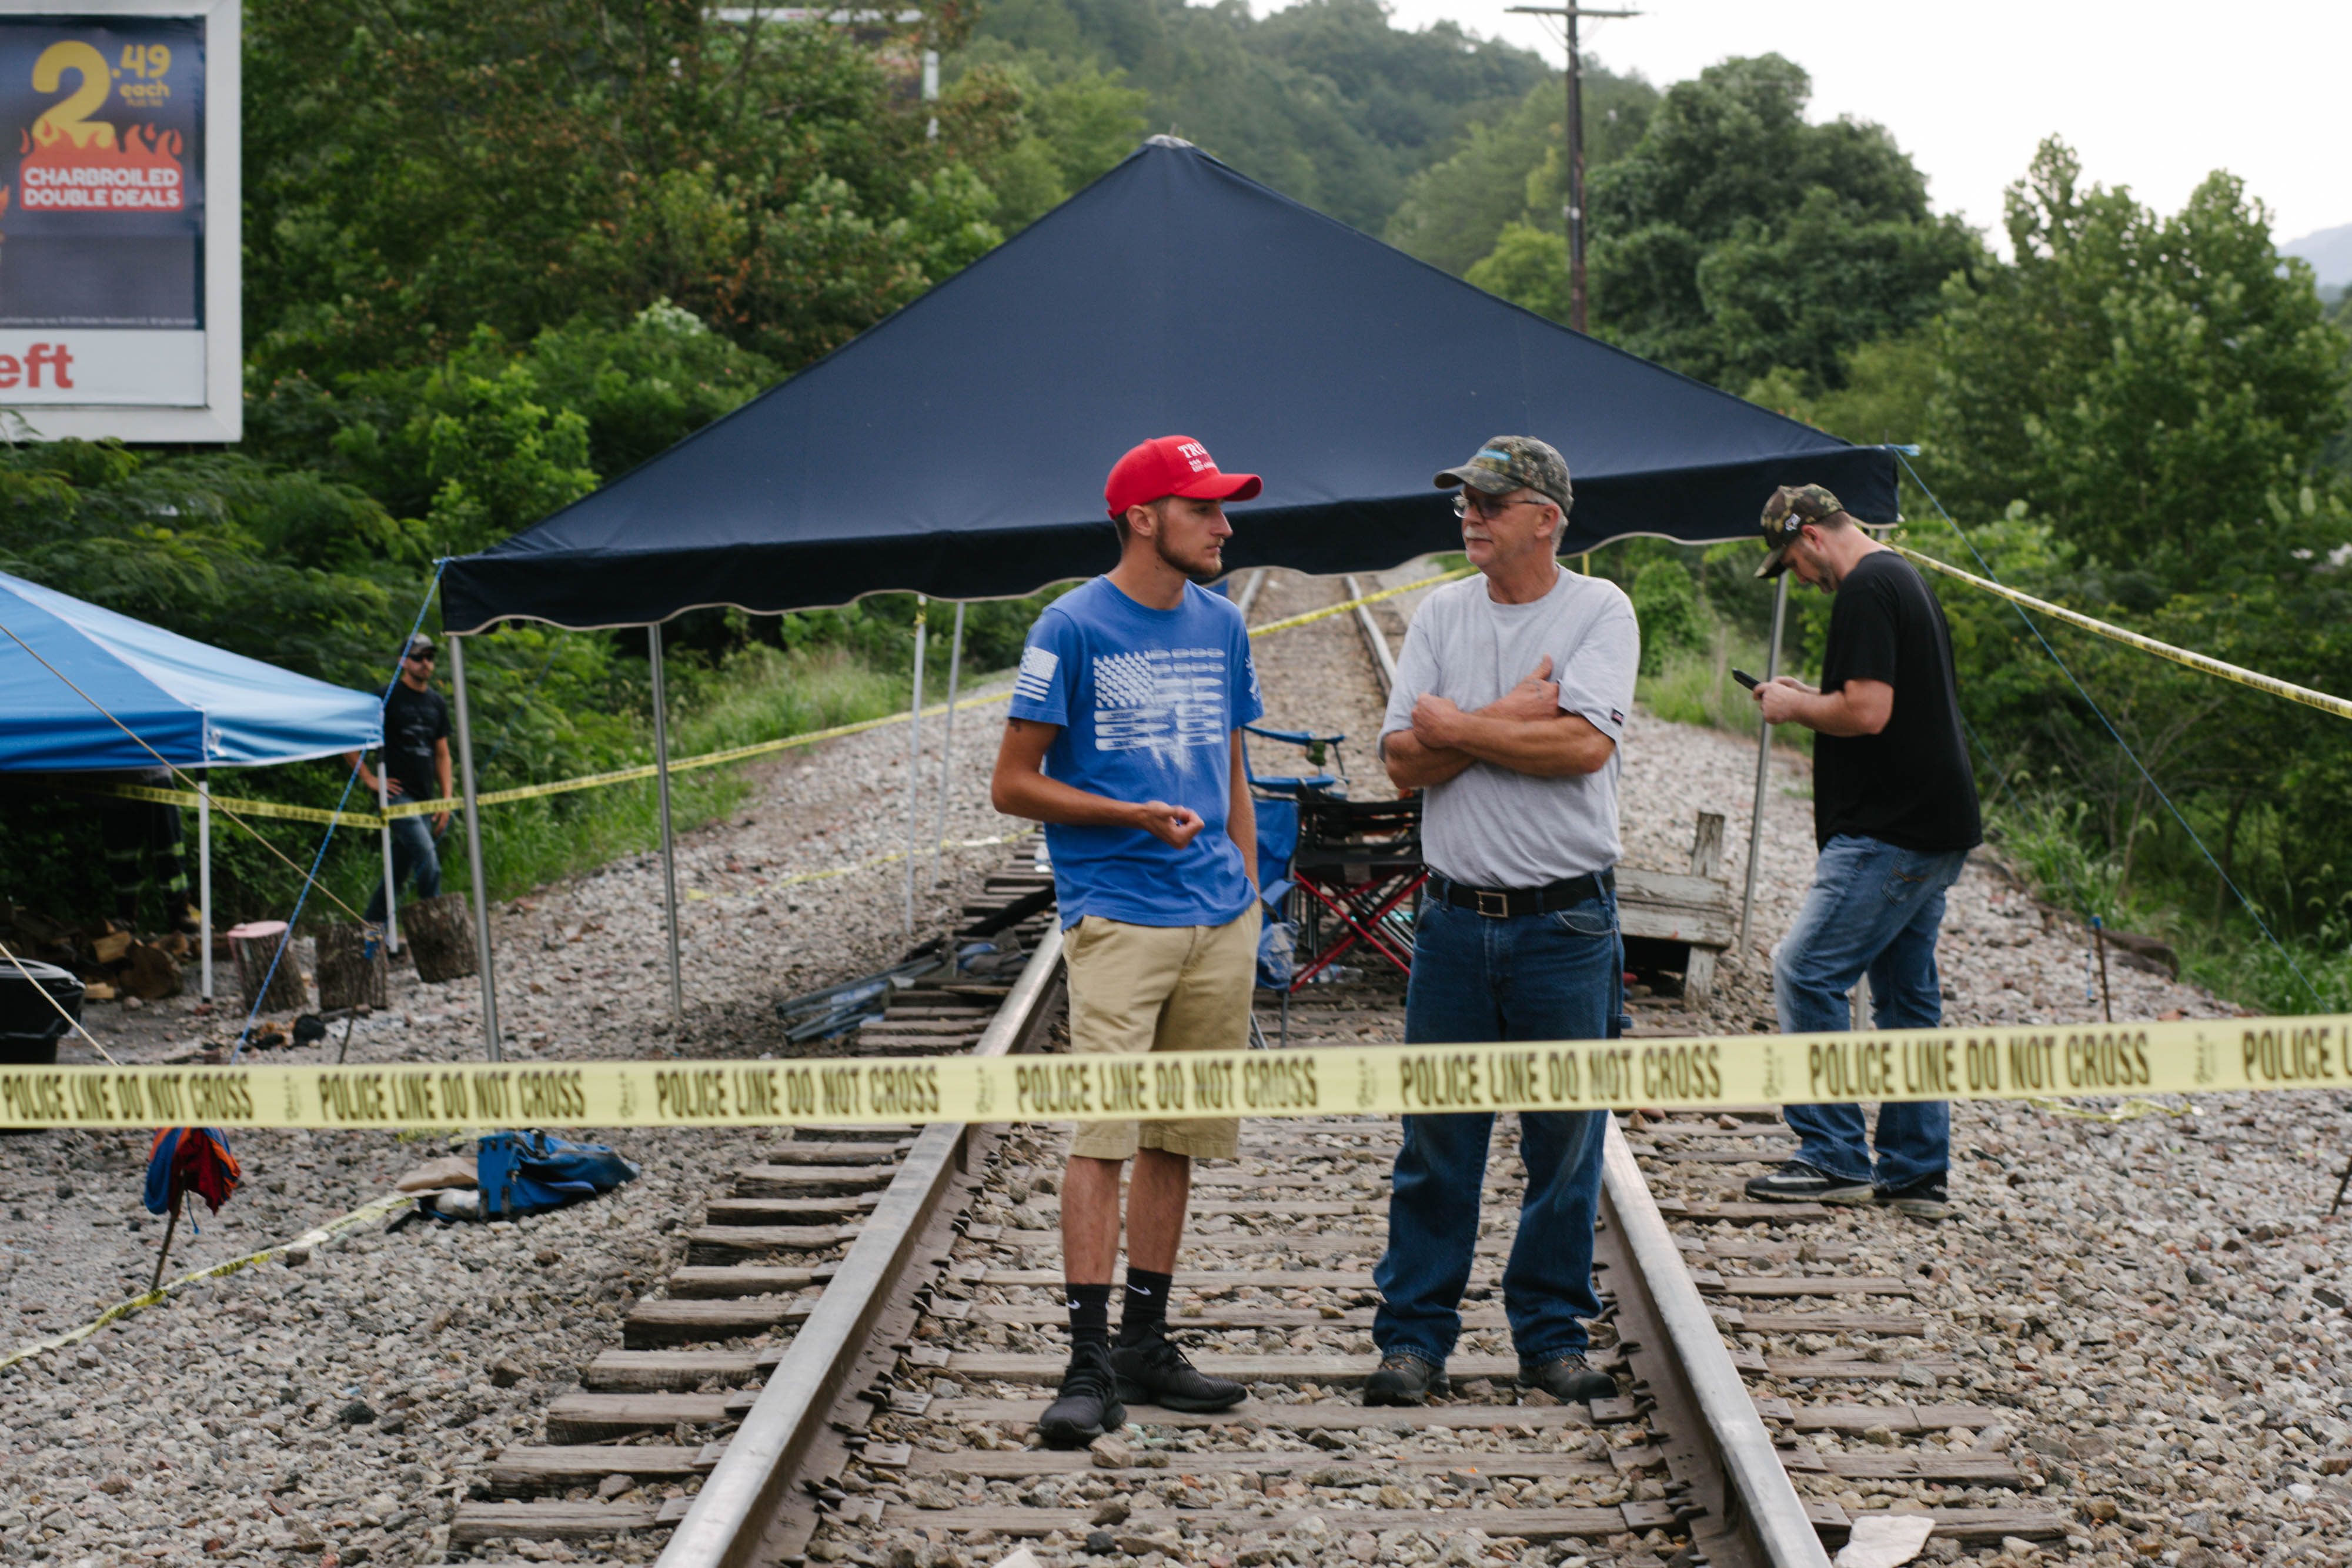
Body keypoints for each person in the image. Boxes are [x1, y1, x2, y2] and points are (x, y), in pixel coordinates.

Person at [990, 434, 1267, 1447]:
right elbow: (1012, 782)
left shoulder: (1223, 624)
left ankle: (1146, 1347)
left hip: (1217, 915)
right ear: (1144, 517)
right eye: (1205, 509)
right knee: (1101, 1137)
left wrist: (1250, 890)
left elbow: (1234, 761)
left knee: (1178, 1135)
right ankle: (1088, 1363)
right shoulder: (1069, 627)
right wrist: (1131, 816)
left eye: (1224, 509)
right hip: (1118, 915)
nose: (1224, 525)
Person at [1367, 436, 1638, 1407]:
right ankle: (1412, 1340)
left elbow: (1578, 749)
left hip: (1563, 923)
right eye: (1465, 502)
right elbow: (1402, 761)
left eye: (1490, 499)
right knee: (1438, 1139)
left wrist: (1457, 726)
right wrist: (1507, 715)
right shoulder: (1442, 609)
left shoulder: (1600, 610)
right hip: (1452, 921)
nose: (1470, 515)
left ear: (1545, 517)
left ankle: (1549, 1337)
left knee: (1565, 1143)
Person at [1740, 484, 1982, 1221]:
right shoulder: (1901, 575)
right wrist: (1814, 694)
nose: (1801, 581)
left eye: (1793, 563)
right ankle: (1915, 1173)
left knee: (1805, 970)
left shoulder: (1865, 588)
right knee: (1907, 1002)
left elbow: (1866, 712)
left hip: (1890, 831)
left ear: (1810, 536)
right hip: (1932, 824)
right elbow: (1878, 699)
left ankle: (1832, 1155)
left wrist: (1791, 706)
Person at [345, 635, 453, 927]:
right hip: (397, 795)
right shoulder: (386, 696)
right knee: (429, 862)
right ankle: (436, 929)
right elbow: (349, 737)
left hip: (425, 796)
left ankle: (369, 927)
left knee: (399, 870)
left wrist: (446, 799)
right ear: (403, 661)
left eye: (430, 657)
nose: (425, 663)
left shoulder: (437, 703)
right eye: (418, 657)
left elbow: (442, 754)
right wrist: (368, 778)